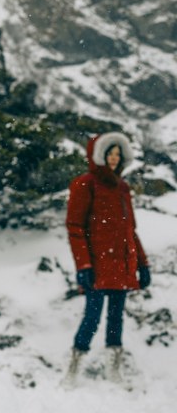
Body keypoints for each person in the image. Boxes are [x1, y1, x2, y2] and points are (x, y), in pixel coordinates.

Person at [63, 132, 151, 386]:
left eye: (117, 155)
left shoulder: (122, 188)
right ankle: (73, 368)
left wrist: (143, 264)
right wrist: (84, 265)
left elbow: (129, 231)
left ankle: (114, 369)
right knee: (92, 316)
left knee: (116, 317)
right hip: (98, 266)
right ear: (99, 155)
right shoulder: (85, 184)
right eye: (109, 154)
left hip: (122, 265)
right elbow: (75, 227)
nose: (114, 159)